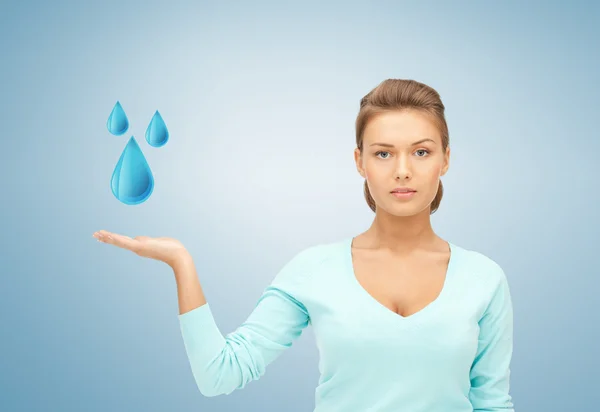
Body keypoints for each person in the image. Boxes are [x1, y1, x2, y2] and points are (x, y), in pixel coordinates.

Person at [93, 79, 514, 411]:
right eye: (383, 154)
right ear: (359, 162)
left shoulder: (484, 279)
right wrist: (180, 261)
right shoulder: (314, 270)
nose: (402, 171)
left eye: (421, 153)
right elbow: (218, 375)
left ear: (445, 159)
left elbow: (493, 405)